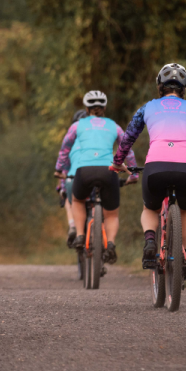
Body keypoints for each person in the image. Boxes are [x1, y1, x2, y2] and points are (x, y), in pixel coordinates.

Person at [111, 64, 186, 281]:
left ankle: (150, 241)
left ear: (160, 86)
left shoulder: (147, 107)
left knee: (150, 208)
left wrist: (118, 162)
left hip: (155, 169)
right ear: (183, 87)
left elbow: (128, 138)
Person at [54, 91, 137, 265]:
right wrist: (133, 174)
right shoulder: (114, 126)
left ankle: (79, 235)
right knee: (111, 214)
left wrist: (59, 169)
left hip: (84, 171)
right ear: (104, 108)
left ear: (87, 108)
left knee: (77, 201)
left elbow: (65, 148)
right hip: (109, 170)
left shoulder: (77, 125)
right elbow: (127, 150)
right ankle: (111, 244)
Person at [57, 109, 88, 247]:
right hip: (99, 174)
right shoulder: (97, 137)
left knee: (70, 201)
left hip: (74, 178)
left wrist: (61, 189)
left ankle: (73, 226)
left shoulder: (71, 142)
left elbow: (64, 168)